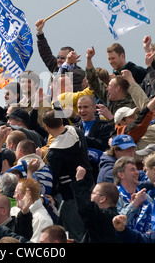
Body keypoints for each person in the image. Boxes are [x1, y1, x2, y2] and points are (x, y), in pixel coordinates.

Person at [42, 109, 93, 242]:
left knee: (76, 233)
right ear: (61, 120)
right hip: (89, 185)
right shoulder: (77, 132)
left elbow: (53, 177)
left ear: (46, 127)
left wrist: (50, 193)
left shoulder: (54, 153)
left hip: (71, 195)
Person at [71, 166, 120, 243]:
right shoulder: (113, 217)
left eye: (93, 193)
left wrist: (80, 180)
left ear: (102, 199)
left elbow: (87, 209)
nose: (91, 196)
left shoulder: (107, 217)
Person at [35, 18, 86, 92]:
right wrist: (39, 32)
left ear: (72, 58)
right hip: (52, 102)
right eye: (58, 57)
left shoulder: (78, 74)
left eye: (62, 58)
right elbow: (45, 53)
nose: (59, 60)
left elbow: (71, 96)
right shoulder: (56, 67)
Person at [85, 46, 136, 120]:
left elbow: (127, 128)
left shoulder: (132, 106)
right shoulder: (109, 97)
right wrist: (89, 59)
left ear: (117, 89)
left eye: (109, 86)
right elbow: (93, 80)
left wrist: (110, 117)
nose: (107, 88)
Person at [74, 95, 114, 180]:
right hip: (79, 174)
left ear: (94, 108)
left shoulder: (105, 127)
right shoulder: (74, 128)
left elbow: (105, 147)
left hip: (98, 173)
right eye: (79, 107)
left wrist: (83, 138)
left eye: (85, 107)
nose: (82, 111)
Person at [113, 156, 153, 233]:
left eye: (136, 169)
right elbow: (117, 223)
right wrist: (134, 204)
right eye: (132, 170)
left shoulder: (145, 197)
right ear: (121, 175)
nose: (137, 172)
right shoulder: (114, 196)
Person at [11, 177, 53, 243]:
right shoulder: (14, 211)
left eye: (16, 193)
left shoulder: (42, 220)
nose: (14, 196)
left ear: (26, 195)